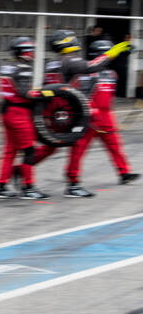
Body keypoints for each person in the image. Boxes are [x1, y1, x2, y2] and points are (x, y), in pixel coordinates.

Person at [28, 30, 130, 194]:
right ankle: (73, 184)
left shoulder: (52, 63)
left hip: (54, 112)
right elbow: (92, 67)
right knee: (75, 145)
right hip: (69, 112)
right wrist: (112, 53)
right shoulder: (70, 61)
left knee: (50, 147)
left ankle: (22, 169)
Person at [63, 39, 138, 193]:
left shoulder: (112, 74)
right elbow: (78, 94)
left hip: (107, 116)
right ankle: (72, 181)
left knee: (116, 147)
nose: (111, 58)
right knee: (78, 150)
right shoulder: (85, 73)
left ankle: (124, 173)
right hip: (88, 117)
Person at [0, 36, 47, 200]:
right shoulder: (24, 67)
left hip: (6, 111)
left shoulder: (7, 67)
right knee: (29, 151)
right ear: (23, 51)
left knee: (10, 151)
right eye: (30, 50)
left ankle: (1, 186)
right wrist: (45, 93)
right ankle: (28, 187)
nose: (33, 53)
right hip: (19, 113)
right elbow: (26, 92)